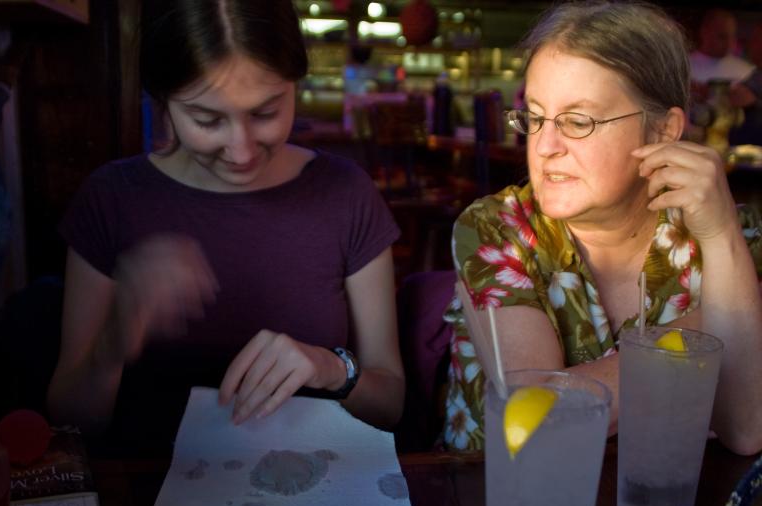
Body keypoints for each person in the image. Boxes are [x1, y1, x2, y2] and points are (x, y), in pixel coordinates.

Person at [46, 0, 405, 456]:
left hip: (308, 488)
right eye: (207, 120)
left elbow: (389, 403)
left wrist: (330, 369)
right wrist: (115, 340)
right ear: (164, 101)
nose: (241, 152)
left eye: (265, 113)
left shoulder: (346, 194)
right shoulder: (113, 198)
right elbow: (70, 422)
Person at [443, 0, 762, 456]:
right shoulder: (496, 229)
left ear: (662, 131)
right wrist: (717, 325)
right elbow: (538, 416)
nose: (545, 145)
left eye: (577, 121)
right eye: (535, 116)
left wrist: (720, 237)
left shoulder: (734, 238)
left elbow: (746, 427)